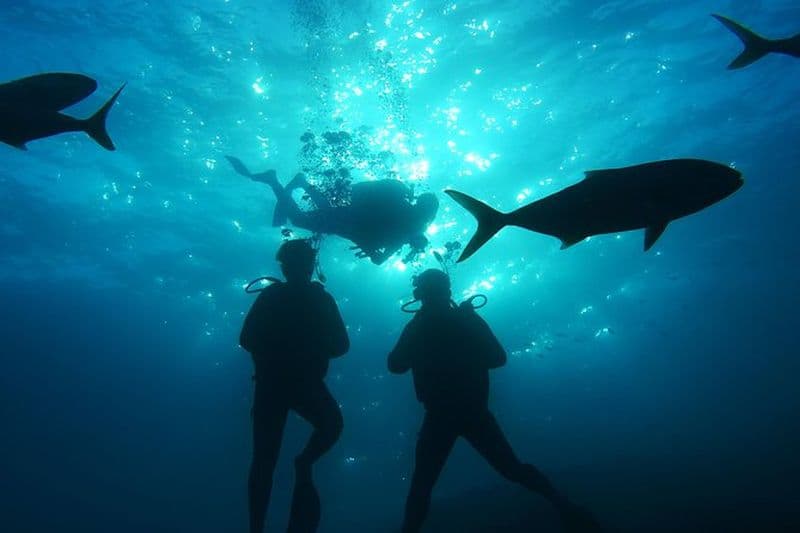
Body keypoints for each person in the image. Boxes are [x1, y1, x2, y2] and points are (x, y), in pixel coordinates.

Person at [388, 269, 601, 532]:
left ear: (420, 294)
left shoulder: (420, 326)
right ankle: (566, 508)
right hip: (473, 411)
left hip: (442, 414)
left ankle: (566, 508)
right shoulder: (464, 320)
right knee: (511, 469)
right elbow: (497, 358)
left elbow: (395, 365)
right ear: (447, 292)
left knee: (422, 485)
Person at [240, 239, 349, 533]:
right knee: (329, 426)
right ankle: (304, 464)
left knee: (264, 460)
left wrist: (277, 350)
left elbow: (247, 339)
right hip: (301, 384)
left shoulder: (273, 297)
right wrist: (311, 349)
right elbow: (340, 345)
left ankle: (256, 526)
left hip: (273, 386)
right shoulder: (319, 299)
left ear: (284, 266)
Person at [226, 155, 438, 265]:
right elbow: (378, 259)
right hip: (350, 221)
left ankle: (292, 182)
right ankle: (278, 181)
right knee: (304, 219)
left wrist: (371, 245)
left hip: (348, 219)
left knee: (317, 214)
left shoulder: (406, 220)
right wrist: (370, 245)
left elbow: (377, 257)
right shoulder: (407, 223)